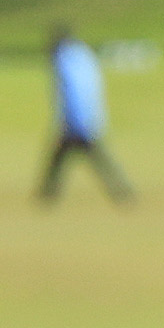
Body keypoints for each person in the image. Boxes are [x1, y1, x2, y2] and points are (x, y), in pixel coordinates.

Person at [34, 24, 132, 206]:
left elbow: (72, 93)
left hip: (77, 123)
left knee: (69, 158)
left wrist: (73, 121)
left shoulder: (65, 61)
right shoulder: (83, 55)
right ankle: (122, 192)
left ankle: (47, 196)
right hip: (89, 119)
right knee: (83, 159)